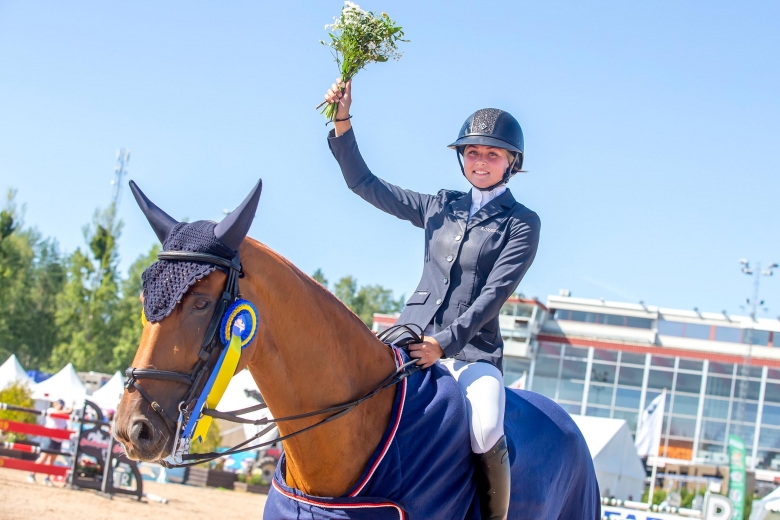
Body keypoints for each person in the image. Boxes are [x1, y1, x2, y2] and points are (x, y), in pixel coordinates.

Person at [323, 79, 541, 520]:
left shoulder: (522, 223)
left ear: (511, 162)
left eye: (492, 153)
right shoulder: (439, 205)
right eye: (472, 152)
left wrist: (445, 343)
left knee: (484, 427)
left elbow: (494, 295)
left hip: (471, 352)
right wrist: (343, 120)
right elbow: (364, 183)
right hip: (406, 339)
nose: (480, 161)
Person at [27, 399, 72, 486]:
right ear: (55, 404)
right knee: (43, 457)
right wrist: (68, 411)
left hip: (58, 440)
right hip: (49, 438)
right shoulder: (51, 410)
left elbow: (65, 427)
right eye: (60, 405)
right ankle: (32, 474)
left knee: (52, 460)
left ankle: (47, 478)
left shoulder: (64, 416)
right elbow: (56, 414)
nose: (61, 407)